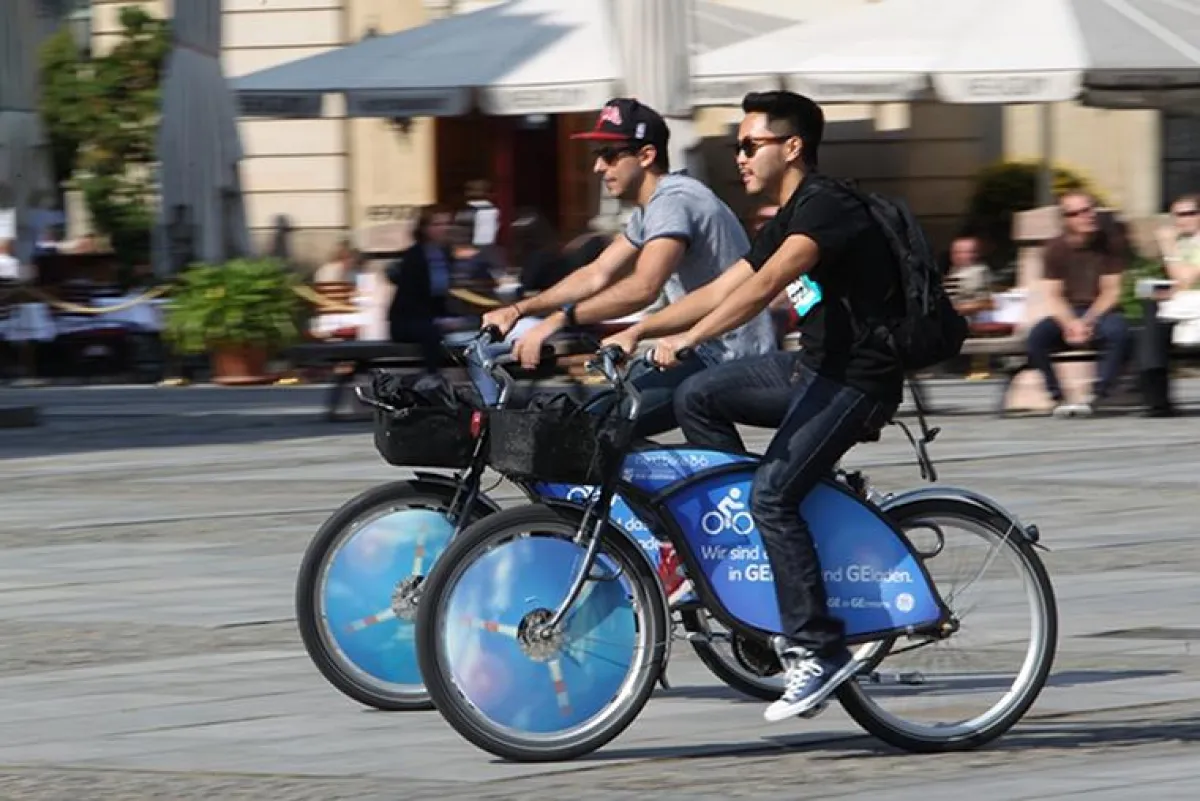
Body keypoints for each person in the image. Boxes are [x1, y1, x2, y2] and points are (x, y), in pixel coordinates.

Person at [624, 90, 907, 721]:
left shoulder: (827, 207)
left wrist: (687, 340)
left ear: (792, 147)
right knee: (698, 394)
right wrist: (639, 330)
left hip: (857, 378)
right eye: (737, 147)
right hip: (812, 368)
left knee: (774, 493)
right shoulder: (789, 214)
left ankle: (818, 647)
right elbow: (722, 284)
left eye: (750, 145)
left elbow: (760, 289)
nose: (741, 157)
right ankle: (739, 542)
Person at [482, 97, 777, 437]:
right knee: (602, 418)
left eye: (609, 156)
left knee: (604, 426)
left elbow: (643, 287)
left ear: (646, 156)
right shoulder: (650, 210)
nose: (598, 168)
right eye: (597, 157)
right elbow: (597, 273)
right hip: (694, 350)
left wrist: (557, 321)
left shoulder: (674, 200)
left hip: (725, 355)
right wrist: (519, 310)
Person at [1026, 191, 1131, 418]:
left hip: (1101, 311)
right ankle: (1057, 397)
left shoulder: (1110, 244)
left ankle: (1099, 395)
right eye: (1078, 213)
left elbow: (1111, 291)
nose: (1088, 216)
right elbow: (1053, 295)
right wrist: (1070, 323)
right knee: (1036, 337)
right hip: (1069, 312)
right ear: (1066, 220)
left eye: (1090, 209)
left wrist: (1088, 321)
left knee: (1119, 332)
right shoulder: (1055, 248)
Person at [385, 205, 454, 373]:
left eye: (446, 224)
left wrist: (449, 317)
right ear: (424, 228)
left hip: (431, 318)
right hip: (407, 321)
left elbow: (439, 296)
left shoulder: (443, 255)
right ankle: (432, 380)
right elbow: (411, 299)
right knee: (432, 333)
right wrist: (437, 320)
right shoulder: (414, 256)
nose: (444, 229)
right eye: (437, 224)